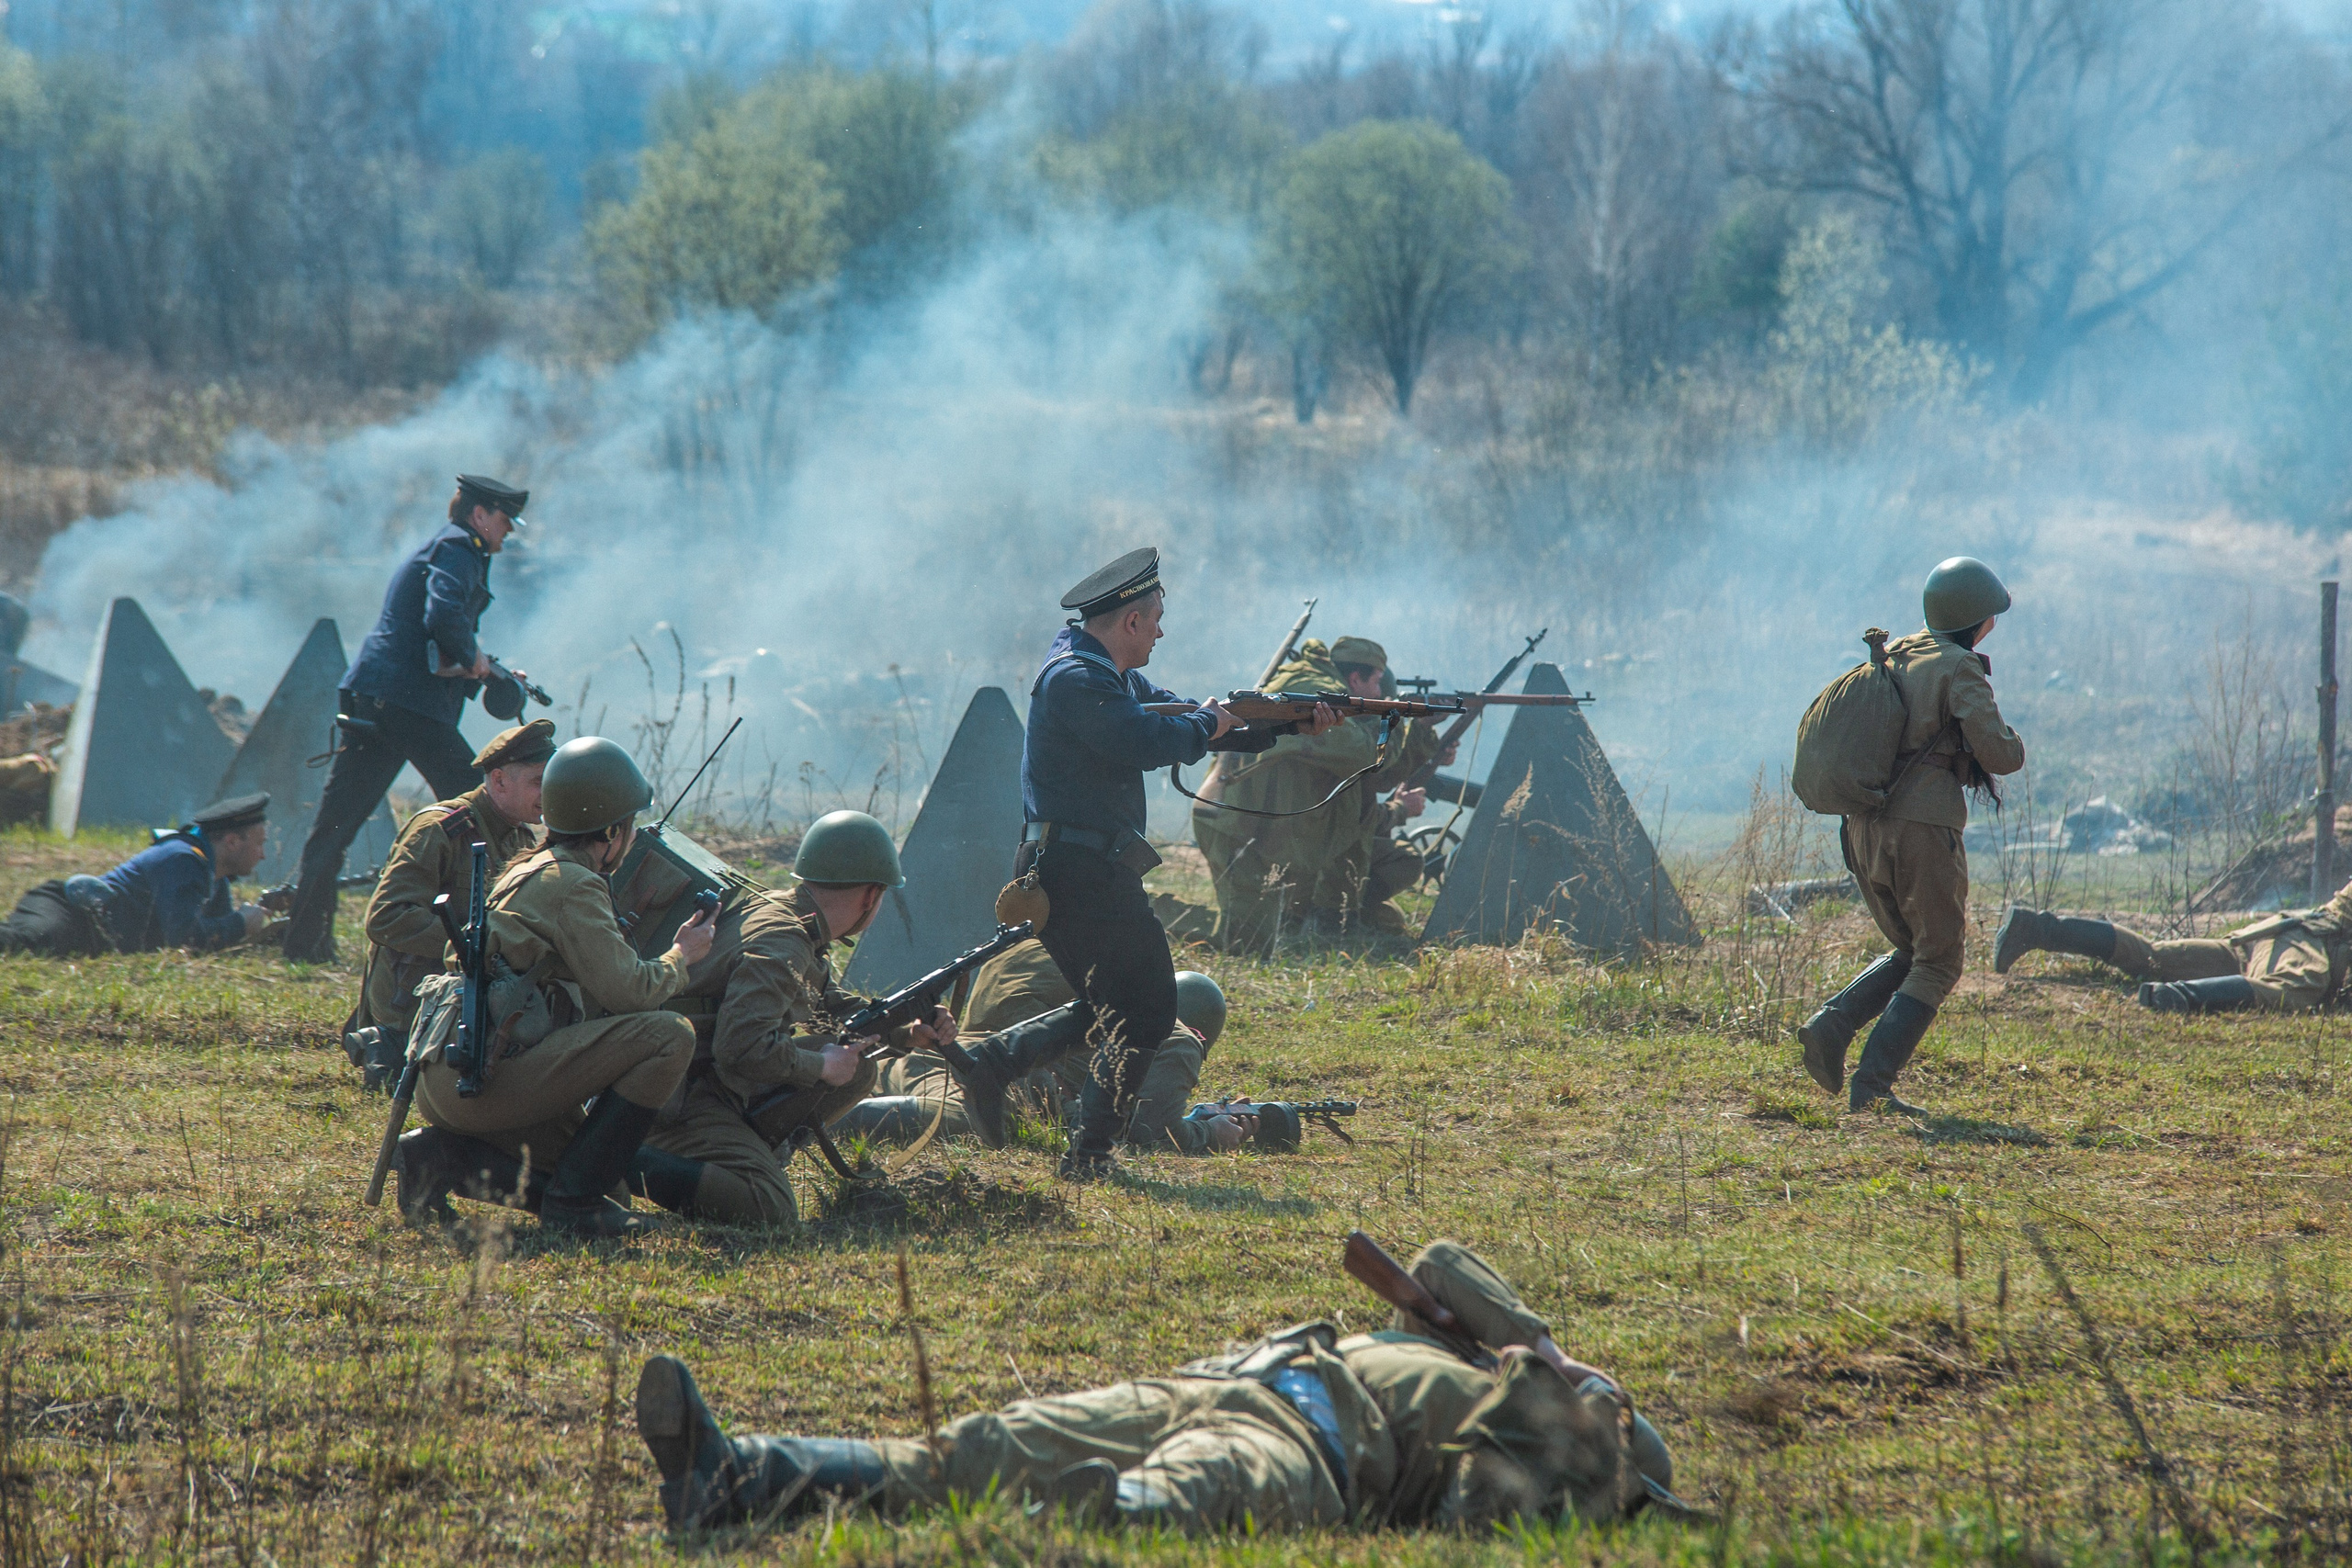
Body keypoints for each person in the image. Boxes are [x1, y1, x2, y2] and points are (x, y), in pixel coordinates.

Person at [632, 1237, 1693, 1534]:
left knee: (1187, 1489)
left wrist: (1580, 1406)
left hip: (1313, 1455)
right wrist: (1542, 1347)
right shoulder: (1497, 1360)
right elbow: (1443, 1257)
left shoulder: (1574, 1450)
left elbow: (1482, 1519)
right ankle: (738, 1475)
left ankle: (1063, 1531)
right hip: (1229, 1380)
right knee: (987, 1444)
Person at [1006, 547, 1338, 1179]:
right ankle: (1090, 1153)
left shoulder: (1110, 676)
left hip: (1086, 861)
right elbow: (1146, 739)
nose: (1162, 628)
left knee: (1114, 1006)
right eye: (1156, 616)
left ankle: (998, 1069)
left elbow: (1189, 719)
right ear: (1130, 621)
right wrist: (1207, 724)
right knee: (1150, 1008)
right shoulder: (1077, 678)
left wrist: (1288, 724)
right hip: (1078, 864)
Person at [390, 737, 716, 1238]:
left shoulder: (526, 867)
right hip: (485, 1077)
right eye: (629, 826)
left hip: (454, 1074)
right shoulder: (575, 883)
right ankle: (573, 1211)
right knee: (669, 1034)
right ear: (611, 830)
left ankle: (439, 1158)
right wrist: (682, 955)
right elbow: (631, 992)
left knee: (612, 1193)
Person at [626, 810, 956, 1227]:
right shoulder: (785, 941)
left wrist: (908, 1032)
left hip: (696, 1072)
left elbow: (825, 1006)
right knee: (770, 1208)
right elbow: (741, 1048)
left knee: (854, 1069)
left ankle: (742, 1153)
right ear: (871, 896)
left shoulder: (784, 915)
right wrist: (820, 1065)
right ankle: (621, 1158)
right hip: (677, 1095)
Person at [1796, 558, 2025, 1116]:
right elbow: (2002, 755)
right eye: (1989, 617)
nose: (1992, 625)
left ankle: (1832, 1026)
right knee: (1940, 960)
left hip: (1862, 826)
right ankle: (1872, 1087)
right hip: (1920, 829)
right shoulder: (1957, 667)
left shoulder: (1896, 653)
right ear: (1976, 619)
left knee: (1914, 950)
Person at [282, 474, 532, 964]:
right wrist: (475, 658)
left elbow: (437, 638)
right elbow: (442, 619)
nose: (509, 530)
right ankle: (496, 933)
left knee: (334, 828)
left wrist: (483, 666)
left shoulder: (451, 547)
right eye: (504, 520)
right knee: (483, 804)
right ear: (479, 515)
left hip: (382, 698)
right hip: (406, 704)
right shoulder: (460, 547)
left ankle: (304, 945)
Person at [839, 941, 1256, 1155]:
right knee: (960, 1124)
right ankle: (820, 1122)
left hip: (933, 1053)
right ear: (1201, 1036)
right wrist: (1208, 1132)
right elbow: (1155, 1132)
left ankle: (825, 1101)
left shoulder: (1065, 956)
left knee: (864, 1082)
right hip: (988, 1087)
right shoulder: (1176, 1036)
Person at [1193, 637, 1447, 949]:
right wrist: (1393, 717)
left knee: (1272, 936)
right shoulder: (1316, 693)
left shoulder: (1311, 683)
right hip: (1242, 833)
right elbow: (1370, 755)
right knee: (1245, 947)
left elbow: (1374, 781)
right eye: (1378, 683)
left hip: (1262, 832)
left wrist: (1418, 731)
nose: (1381, 693)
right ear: (1355, 678)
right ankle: (1176, 924)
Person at [348, 719, 552, 1076]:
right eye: (538, 782)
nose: (547, 794)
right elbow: (387, 917)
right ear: (500, 780)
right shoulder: (439, 830)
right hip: (414, 1003)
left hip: (464, 1000)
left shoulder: (520, 839)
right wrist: (475, 945)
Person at [1994, 880, 2352, 1011]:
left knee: (2154, 957)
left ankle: (2036, 928)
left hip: (2272, 934)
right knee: (2292, 991)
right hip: (2311, 941)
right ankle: (2183, 998)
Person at [0, 793, 276, 957]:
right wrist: (240, 923)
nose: (262, 854)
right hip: (68, 911)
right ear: (231, 842)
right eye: (260, 843)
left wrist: (259, 923)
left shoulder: (213, 874)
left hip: (92, 933)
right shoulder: (185, 860)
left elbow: (212, 942)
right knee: (27, 943)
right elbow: (184, 937)